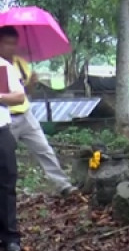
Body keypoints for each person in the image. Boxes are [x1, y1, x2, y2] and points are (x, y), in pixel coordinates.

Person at [0, 26, 77, 197]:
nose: (10, 47)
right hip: (6, 120)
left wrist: (31, 83)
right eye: (6, 43)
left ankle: (63, 185)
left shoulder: (21, 64)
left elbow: (25, 93)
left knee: (44, 149)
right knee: (5, 158)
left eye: (14, 44)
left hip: (25, 115)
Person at [0, 57, 26, 251]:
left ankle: (10, 237)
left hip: (1, 131)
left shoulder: (3, 66)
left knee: (7, 184)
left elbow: (19, 97)